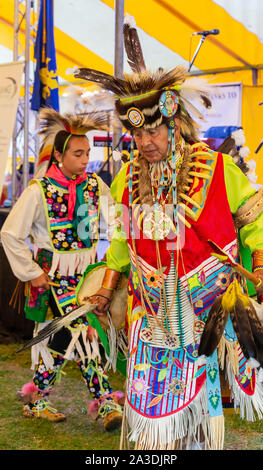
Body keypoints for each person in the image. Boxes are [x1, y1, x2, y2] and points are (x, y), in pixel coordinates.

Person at [73, 18, 263, 450]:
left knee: (196, 416)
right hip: (150, 314)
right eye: (136, 133)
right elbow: (120, 244)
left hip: (202, 315)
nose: (143, 141)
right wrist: (105, 291)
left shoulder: (216, 169)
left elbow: (255, 220)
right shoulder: (125, 180)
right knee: (148, 422)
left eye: (152, 130)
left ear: (173, 123)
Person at [1, 108, 123, 430]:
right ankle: (107, 403)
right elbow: (9, 234)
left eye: (88, 153)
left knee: (67, 333)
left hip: (85, 274)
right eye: (78, 153)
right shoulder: (37, 191)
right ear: (58, 154)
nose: (85, 160)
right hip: (53, 276)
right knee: (81, 333)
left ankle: (36, 398)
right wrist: (32, 272)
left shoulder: (95, 185)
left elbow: (118, 221)